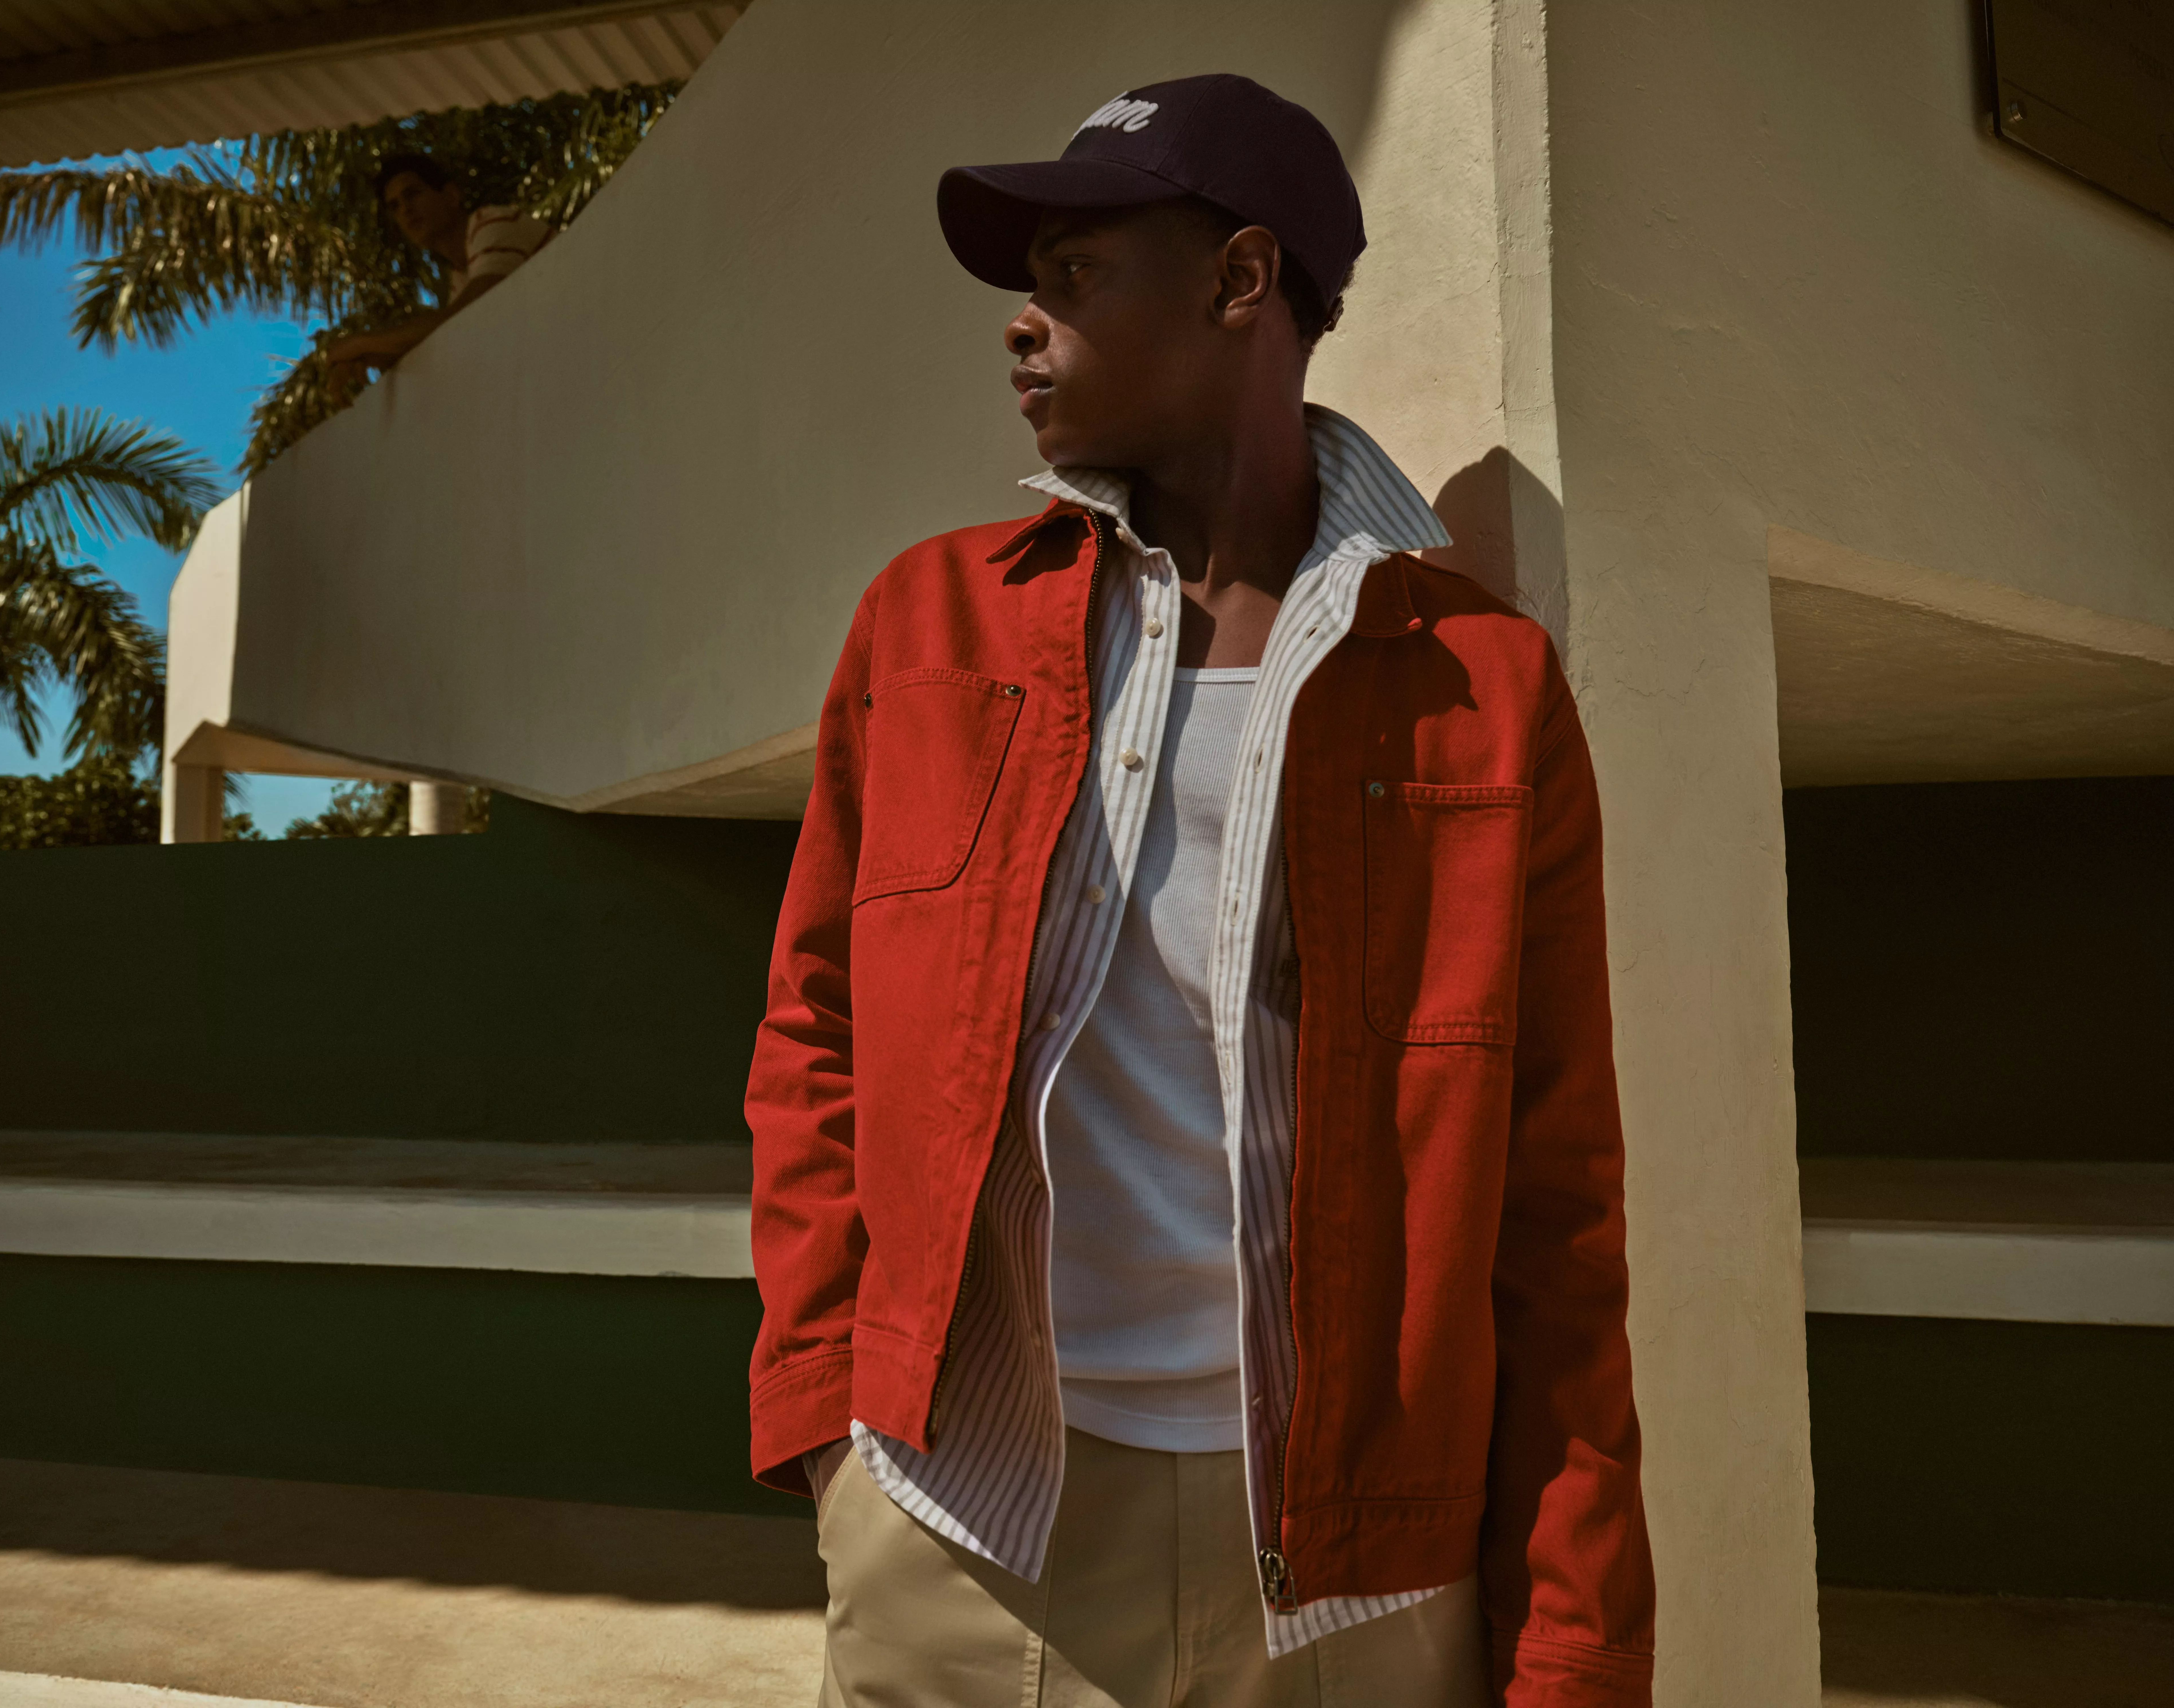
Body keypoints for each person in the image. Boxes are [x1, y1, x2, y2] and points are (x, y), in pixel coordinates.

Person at [746, 73, 1653, 1708]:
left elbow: (1553, 1194)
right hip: (964, 1516)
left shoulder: (1479, 685)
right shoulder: (929, 626)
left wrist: (1574, 1630)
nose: (1024, 325)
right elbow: (811, 1028)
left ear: (1241, 282)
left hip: (1356, 1569)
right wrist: (830, 1425)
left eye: (1076, 273)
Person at [322, 152, 552, 401]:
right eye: (395, 206)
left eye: (413, 194)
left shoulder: (492, 222)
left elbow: (472, 312)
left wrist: (365, 343)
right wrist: (370, 357)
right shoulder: (460, 277)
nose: (406, 210)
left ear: (451, 196)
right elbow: (450, 337)